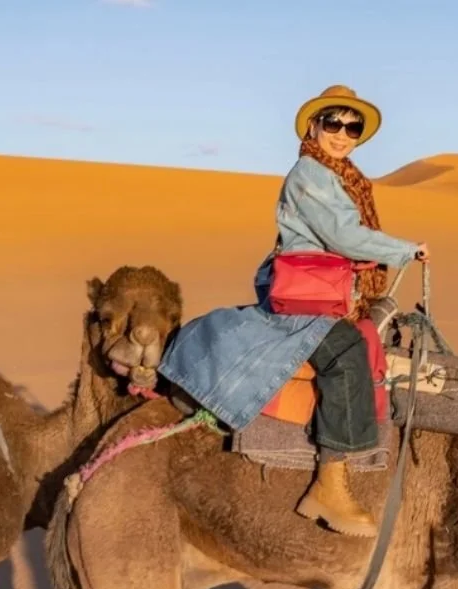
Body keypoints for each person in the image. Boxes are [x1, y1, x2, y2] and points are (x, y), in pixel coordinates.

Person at [157, 85, 426, 538]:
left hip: (333, 292)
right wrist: (405, 250)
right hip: (306, 296)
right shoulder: (310, 173)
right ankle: (329, 485)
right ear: (313, 127)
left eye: (352, 126)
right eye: (333, 122)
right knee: (346, 353)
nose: (342, 133)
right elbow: (342, 235)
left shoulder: (343, 176)